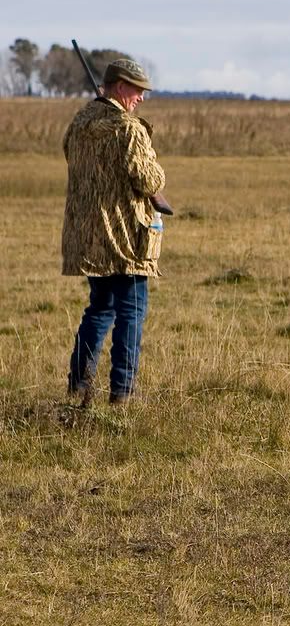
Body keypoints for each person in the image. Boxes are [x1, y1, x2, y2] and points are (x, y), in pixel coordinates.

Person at [62, 58, 166, 407]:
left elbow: (72, 158)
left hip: (89, 239)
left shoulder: (78, 124)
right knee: (131, 311)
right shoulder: (129, 129)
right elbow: (150, 180)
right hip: (125, 238)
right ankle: (122, 393)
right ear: (120, 87)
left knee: (100, 308)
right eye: (138, 90)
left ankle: (78, 386)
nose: (141, 98)